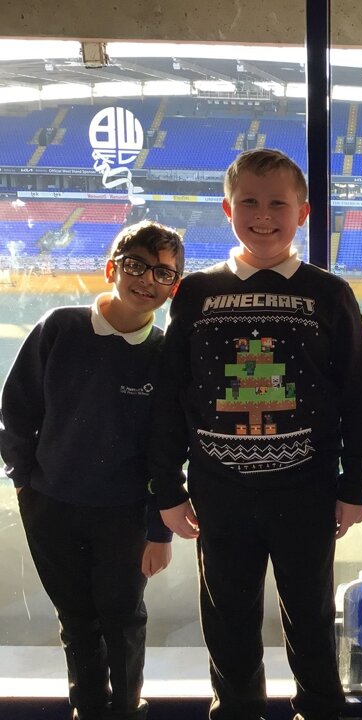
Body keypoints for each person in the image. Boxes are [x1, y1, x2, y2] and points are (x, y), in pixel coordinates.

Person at [149, 148, 362, 720]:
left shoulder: (329, 293)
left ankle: (320, 709)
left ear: (303, 212)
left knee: (310, 617)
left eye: (278, 203)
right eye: (249, 201)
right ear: (228, 209)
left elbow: (358, 395)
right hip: (219, 491)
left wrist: (355, 484)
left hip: (306, 490)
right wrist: (168, 490)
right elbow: (170, 397)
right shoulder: (196, 293)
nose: (263, 215)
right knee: (227, 621)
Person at [0, 220, 184, 720]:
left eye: (163, 273)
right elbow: (16, 409)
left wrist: (158, 531)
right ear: (111, 269)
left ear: (174, 288)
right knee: (77, 621)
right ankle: (88, 709)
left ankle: (125, 710)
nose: (146, 280)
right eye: (135, 266)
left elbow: (166, 450)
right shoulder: (60, 328)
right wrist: (26, 484)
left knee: (123, 620)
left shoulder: (165, 355)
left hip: (125, 515)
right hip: (51, 507)